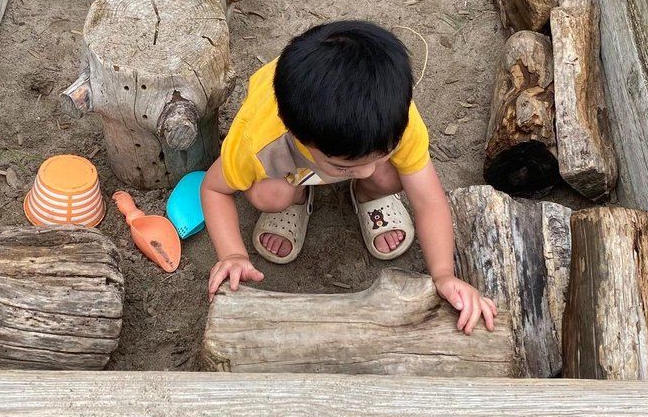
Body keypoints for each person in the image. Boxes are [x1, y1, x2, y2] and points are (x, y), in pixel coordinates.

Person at [201, 20, 497, 334]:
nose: (368, 170)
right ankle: (297, 197)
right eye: (347, 167)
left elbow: (428, 199)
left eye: (382, 154)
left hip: (326, 149)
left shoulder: (396, 121)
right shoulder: (258, 142)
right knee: (268, 195)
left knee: (390, 176)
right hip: (292, 169)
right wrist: (232, 254)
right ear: (299, 136)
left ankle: (370, 195)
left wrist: (444, 275)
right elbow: (213, 189)